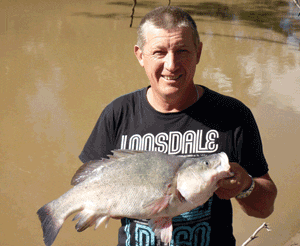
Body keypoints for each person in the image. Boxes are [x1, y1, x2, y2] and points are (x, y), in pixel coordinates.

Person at [79, 6, 277, 246]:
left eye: (182, 51)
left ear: (199, 52)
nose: (171, 65)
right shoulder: (118, 114)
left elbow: (264, 208)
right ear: (140, 55)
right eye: (159, 52)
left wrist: (245, 186)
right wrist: (116, 201)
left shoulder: (232, 115)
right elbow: (87, 183)